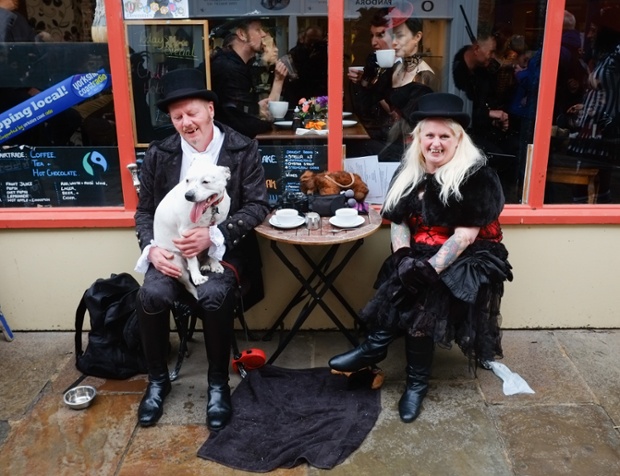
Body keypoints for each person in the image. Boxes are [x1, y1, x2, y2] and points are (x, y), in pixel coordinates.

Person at [329, 93, 512, 423]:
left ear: (458, 140)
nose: (436, 143)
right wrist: (402, 257)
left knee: (428, 288)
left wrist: (426, 270)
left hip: (472, 255)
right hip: (423, 249)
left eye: (445, 136)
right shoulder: (409, 168)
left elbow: (465, 237)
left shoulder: (477, 175)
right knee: (405, 275)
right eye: (430, 135)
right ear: (418, 138)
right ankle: (380, 350)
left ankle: (409, 378)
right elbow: (399, 220)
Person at [134, 68, 270, 430]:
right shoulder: (160, 153)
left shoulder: (243, 147)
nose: (185, 122)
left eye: (192, 112)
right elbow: (145, 210)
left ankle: (217, 385)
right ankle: (157, 382)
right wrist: (151, 248)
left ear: (210, 109)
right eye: (177, 116)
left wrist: (215, 235)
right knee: (151, 295)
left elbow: (257, 206)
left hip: (226, 250)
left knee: (213, 295)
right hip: (170, 250)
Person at [210, 17, 288, 138]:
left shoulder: (237, 64)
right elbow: (238, 119)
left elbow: (238, 108)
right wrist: (266, 122)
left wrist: (256, 108)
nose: (263, 34)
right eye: (257, 30)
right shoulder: (228, 68)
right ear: (242, 34)